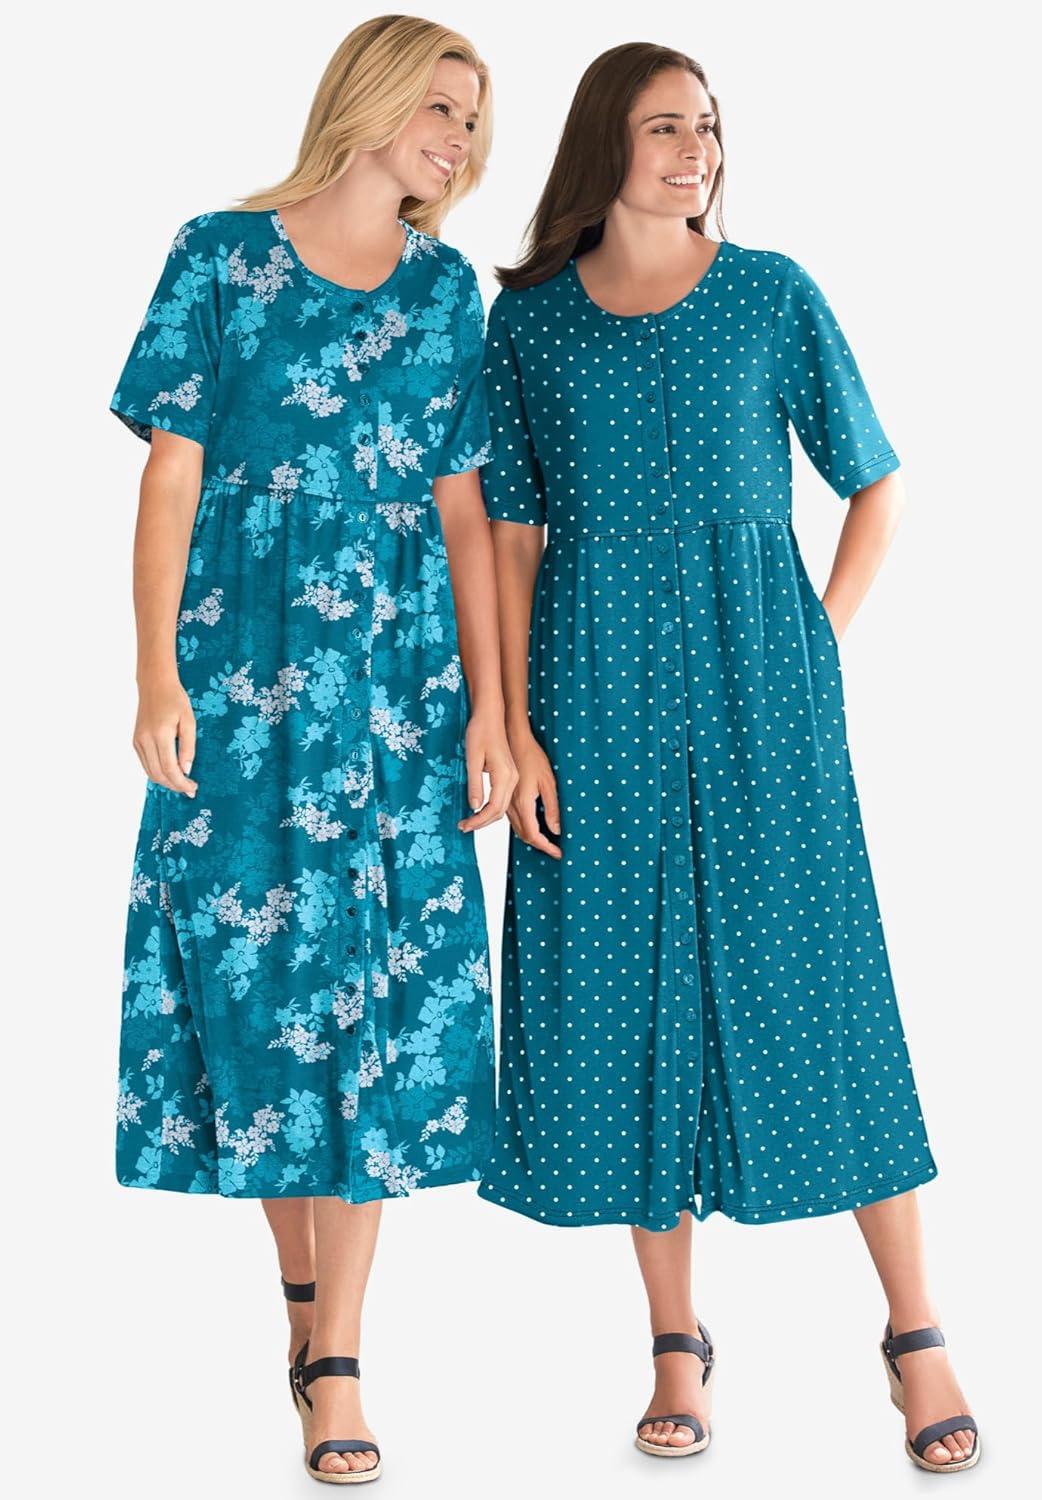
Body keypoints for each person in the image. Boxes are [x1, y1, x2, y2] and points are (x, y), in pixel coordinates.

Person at [475, 42, 979, 1473]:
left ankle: (916, 1333)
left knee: (824, 983)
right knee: (621, 998)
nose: (693, 148)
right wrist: (515, 729)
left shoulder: (770, 292)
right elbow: (509, 537)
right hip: (590, 689)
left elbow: (875, 481)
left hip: (763, 683)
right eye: (662, 127)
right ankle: (674, 1344)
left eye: (705, 125)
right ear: (604, 144)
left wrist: (818, 638)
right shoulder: (528, 325)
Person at [109, 15, 514, 1484]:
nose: (459, 137)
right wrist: (154, 672)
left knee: (383, 1008)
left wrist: (492, 706)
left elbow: (465, 510)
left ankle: (337, 1357)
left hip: (401, 690)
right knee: (261, 993)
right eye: (441, 105)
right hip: (242, 676)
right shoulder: (219, 254)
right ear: (369, 100)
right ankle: (301, 1308)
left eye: (472, 116)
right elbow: (171, 476)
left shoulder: (446, 289)